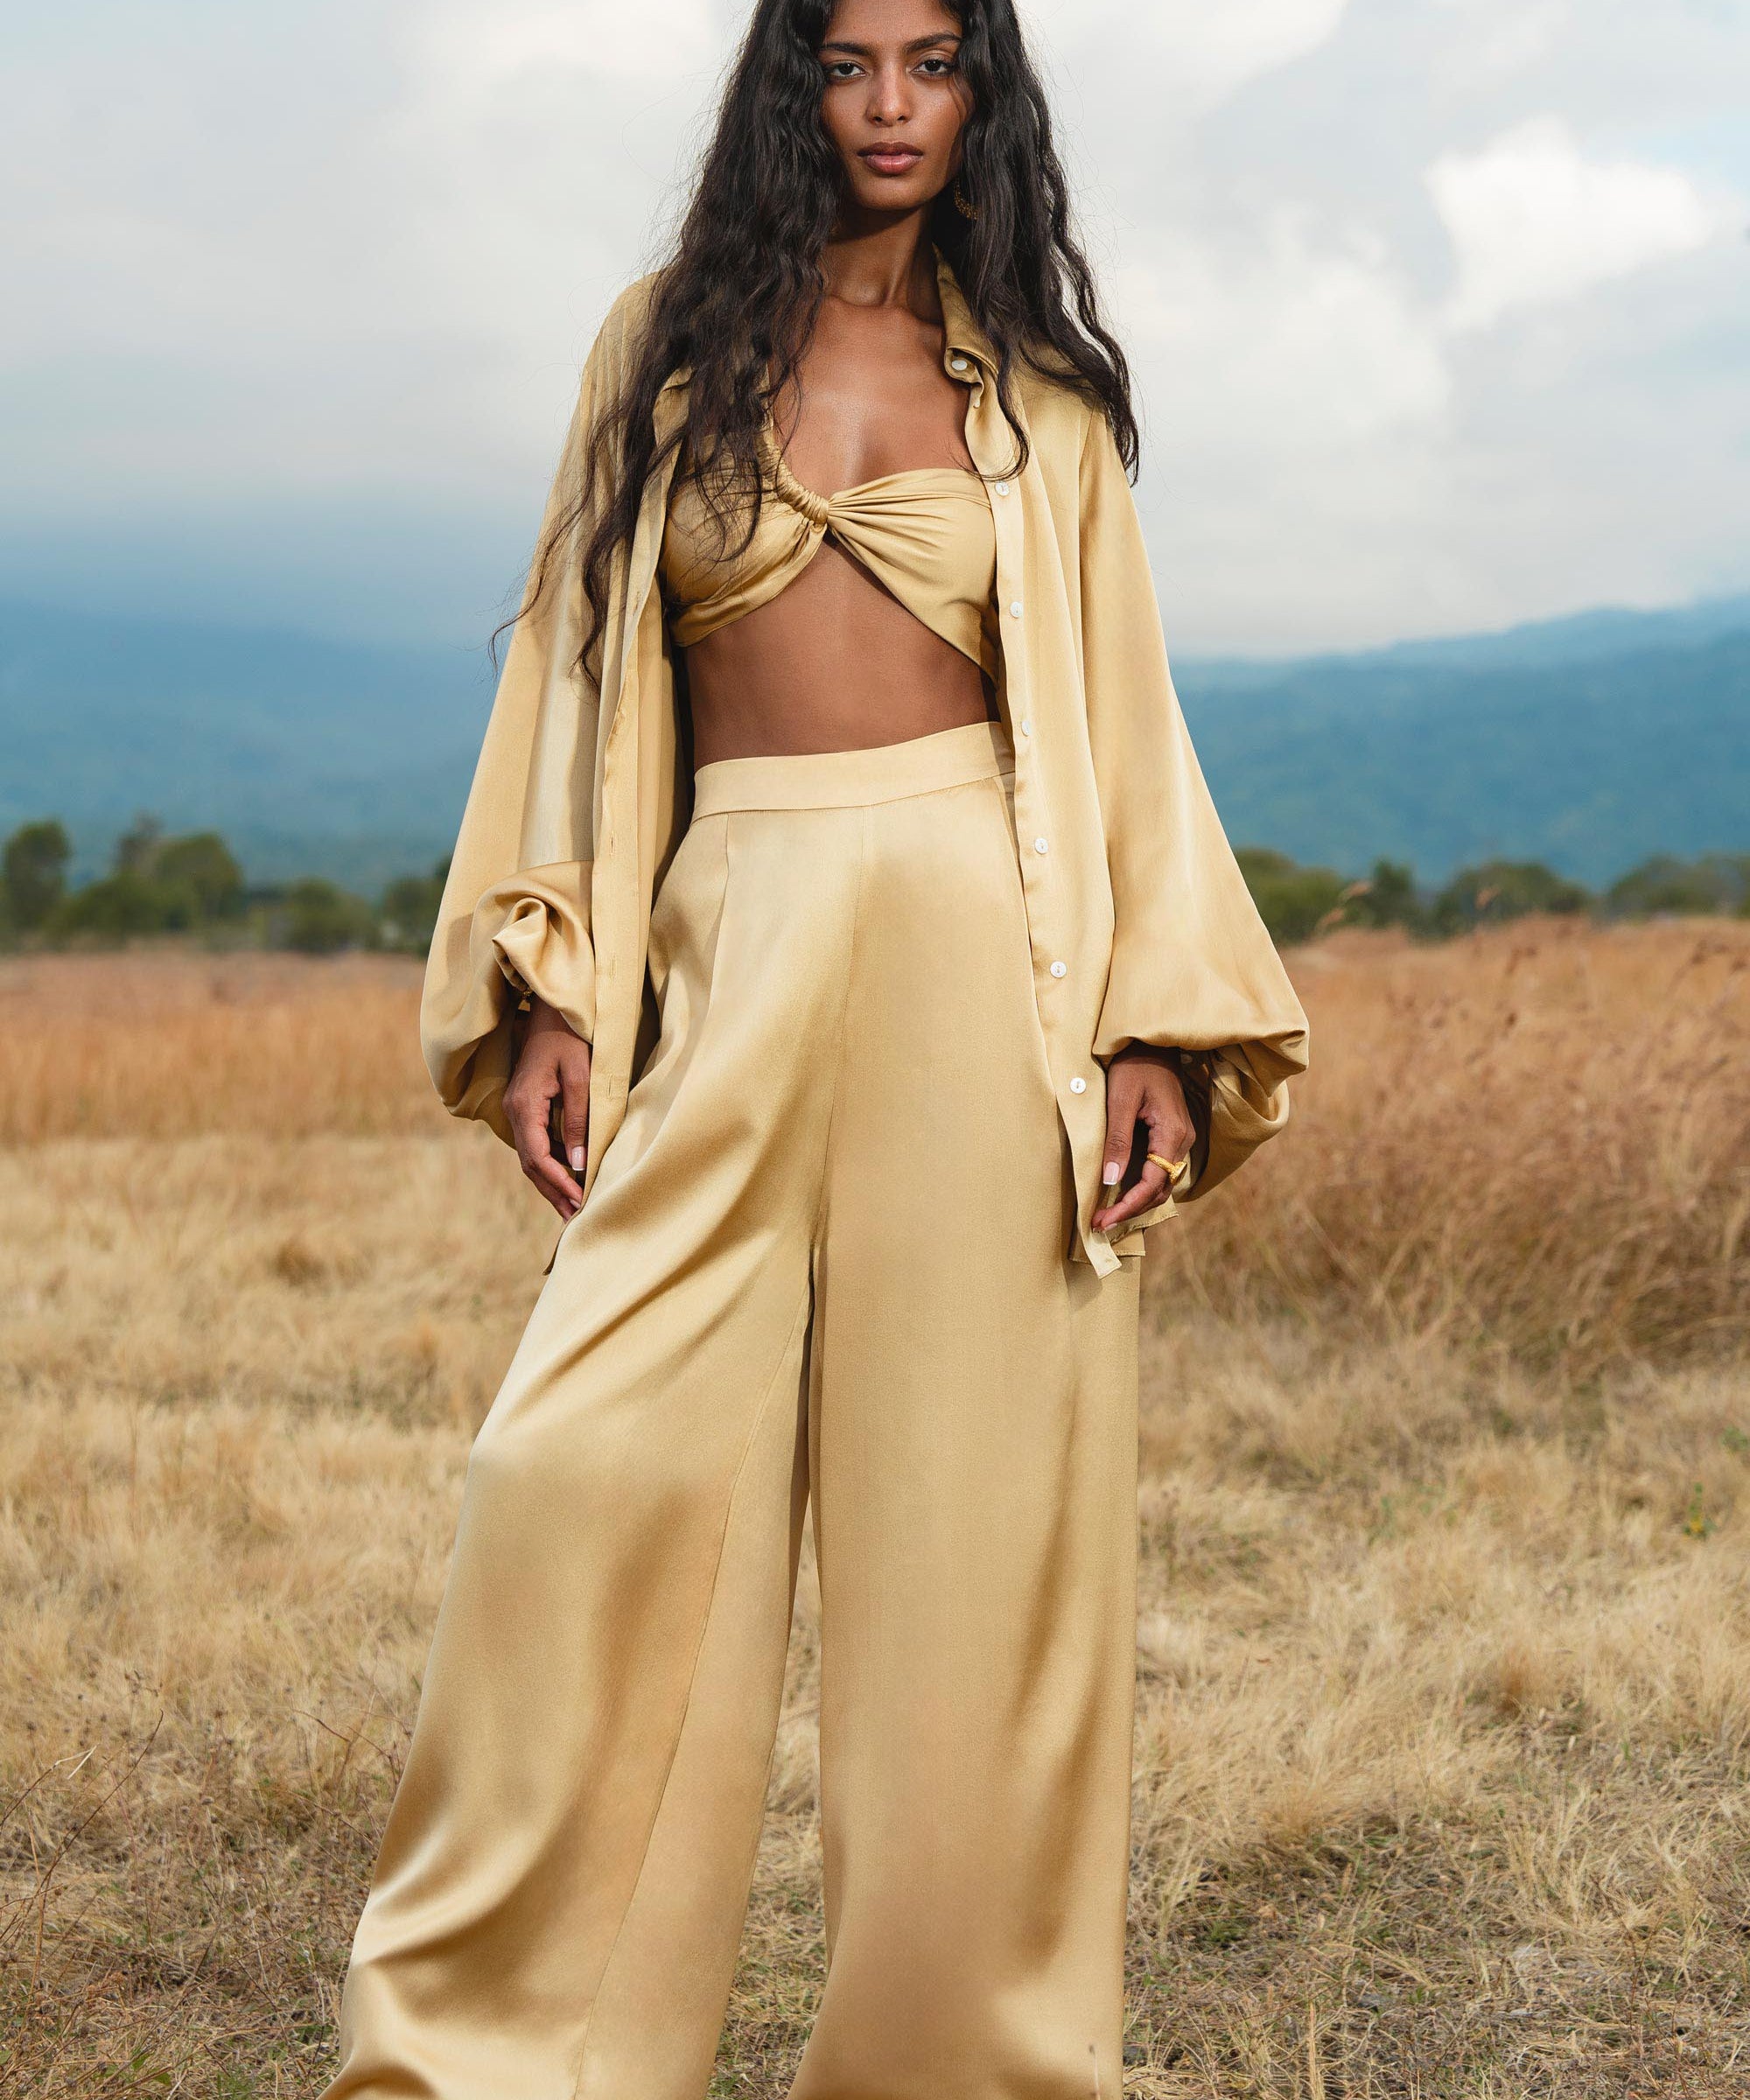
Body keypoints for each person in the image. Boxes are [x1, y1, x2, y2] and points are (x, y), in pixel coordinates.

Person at [321, 2, 1308, 2095]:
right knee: (571, 1479)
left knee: (979, 1545)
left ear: (982, 93)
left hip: (991, 940)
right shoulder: (660, 346)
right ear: (794, 86)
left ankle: (964, 2065)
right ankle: (506, 2061)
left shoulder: (1035, 395)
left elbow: (1129, 724)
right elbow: (571, 670)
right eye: (847, 63)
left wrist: (1150, 1019)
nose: (886, 107)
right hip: (728, 937)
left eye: (931, 63)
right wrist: (550, 981)